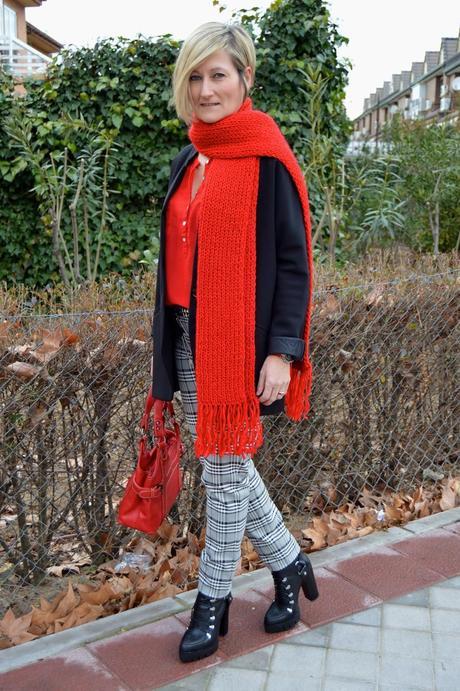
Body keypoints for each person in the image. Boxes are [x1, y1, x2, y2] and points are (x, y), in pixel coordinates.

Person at [151, 21, 318, 663]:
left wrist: (282, 349)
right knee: (229, 464)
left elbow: (293, 260)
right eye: (195, 76)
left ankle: (211, 605)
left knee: (221, 470)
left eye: (218, 74)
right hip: (189, 333)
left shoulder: (266, 157)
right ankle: (288, 564)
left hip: (242, 343)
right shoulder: (188, 158)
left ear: (246, 78)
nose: (206, 88)